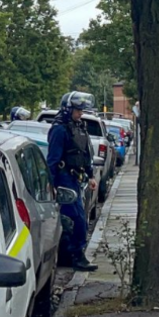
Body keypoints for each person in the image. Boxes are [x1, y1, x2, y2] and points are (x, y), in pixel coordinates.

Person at [47, 91, 98, 271]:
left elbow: (85, 153)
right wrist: (51, 184)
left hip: (77, 178)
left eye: (81, 110)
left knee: (77, 217)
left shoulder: (79, 127)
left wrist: (91, 175)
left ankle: (75, 254)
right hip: (64, 179)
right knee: (76, 218)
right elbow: (52, 159)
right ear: (68, 109)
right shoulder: (60, 129)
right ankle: (76, 255)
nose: (80, 113)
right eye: (77, 110)